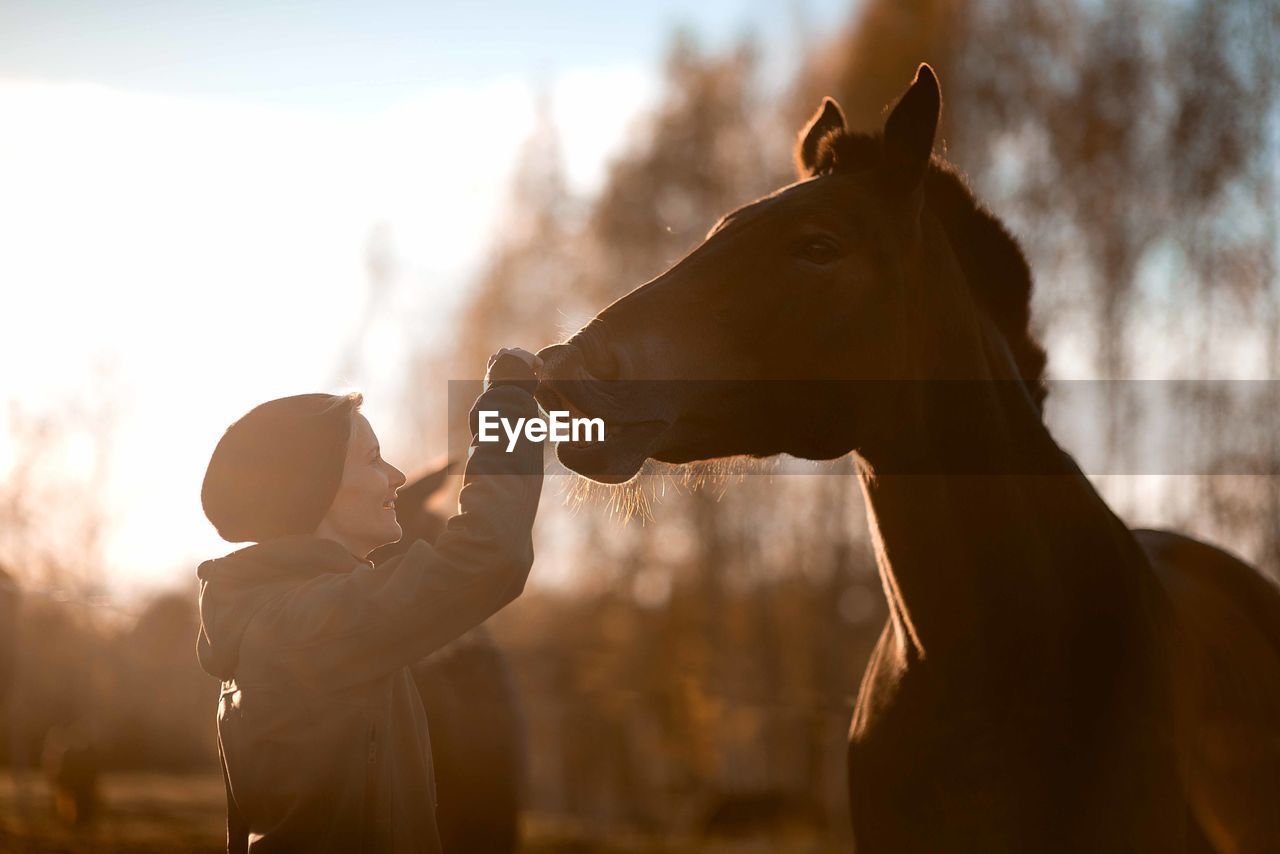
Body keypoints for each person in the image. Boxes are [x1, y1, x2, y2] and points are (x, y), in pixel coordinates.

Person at [195, 348, 544, 854]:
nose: (397, 476)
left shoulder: (283, 617)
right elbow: (490, 555)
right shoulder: (312, 625)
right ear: (316, 489)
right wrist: (507, 405)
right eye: (373, 458)